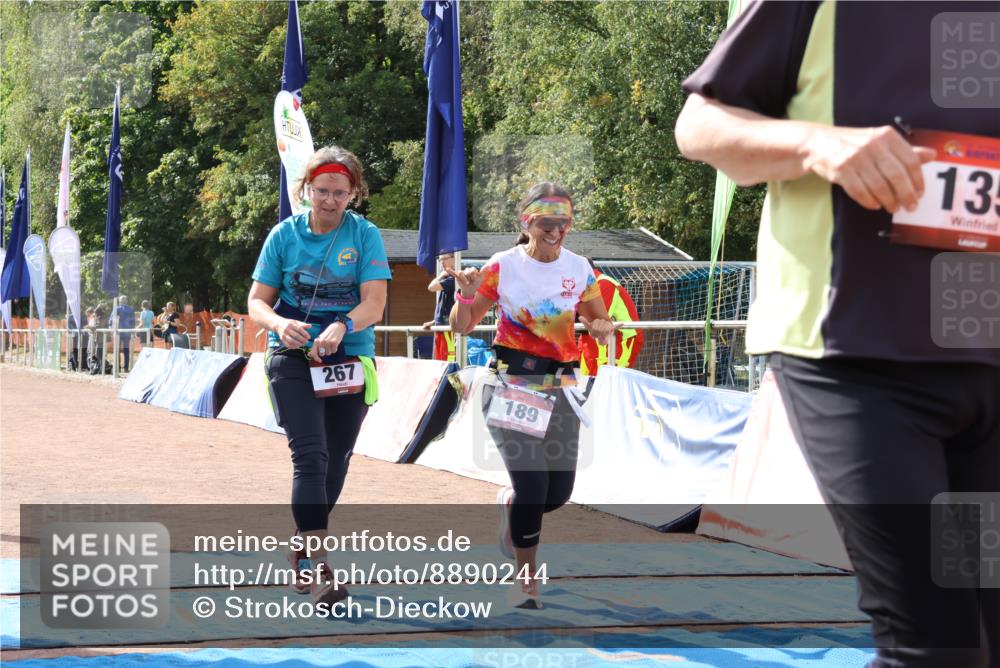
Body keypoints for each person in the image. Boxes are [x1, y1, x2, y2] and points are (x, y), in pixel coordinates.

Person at [674, 3, 998, 666]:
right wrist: (818, 143)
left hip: (985, 362)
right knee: (937, 643)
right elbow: (700, 126)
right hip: (855, 363)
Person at [448, 182, 613, 609]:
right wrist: (465, 295)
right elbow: (462, 327)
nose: (556, 230)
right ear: (527, 221)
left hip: (562, 388)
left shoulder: (579, 268)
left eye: (564, 222)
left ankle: (511, 506)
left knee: (557, 493)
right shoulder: (503, 265)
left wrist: (601, 327)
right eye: (547, 222)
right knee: (534, 486)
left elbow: (599, 318)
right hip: (511, 385)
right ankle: (525, 577)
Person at [248, 145, 390, 607]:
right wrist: (278, 325)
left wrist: (343, 324)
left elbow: (374, 302)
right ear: (306, 189)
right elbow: (256, 302)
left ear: (355, 194)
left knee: (336, 461)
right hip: (290, 359)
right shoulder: (283, 236)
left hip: (349, 358)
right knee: (309, 457)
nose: (330, 201)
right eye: (322, 191)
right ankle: (319, 567)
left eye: (340, 193)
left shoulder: (364, 235)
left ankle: (302, 541)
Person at [577, 258, 644, 375]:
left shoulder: (604, 283)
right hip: (596, 342)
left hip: (619, 341)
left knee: (609, 384)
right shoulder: (586, 287)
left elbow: (593, 317)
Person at [422, 253, 457, 362]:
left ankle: (449, 378)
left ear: (453, 258)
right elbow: (446, 305)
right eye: (440, 260)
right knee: (439, 359)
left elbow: (431, 287)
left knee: (448, 358)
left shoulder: (453, 279)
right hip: (441, 325)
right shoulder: (448, 278)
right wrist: (434, 321)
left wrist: (441, 275)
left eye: (444, 259)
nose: (442, 262)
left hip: (448, 327)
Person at [110, 295, 135, 372]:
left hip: (119, 332)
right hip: (127, 332)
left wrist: (111, 327)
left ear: (119, 301)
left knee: (117, 350)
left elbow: (111, 320)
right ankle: (126, 368)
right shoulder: (131, 309)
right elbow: (133, 322)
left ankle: (118, 368)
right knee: (126, 350)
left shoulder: (117, 308)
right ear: (126, 301)